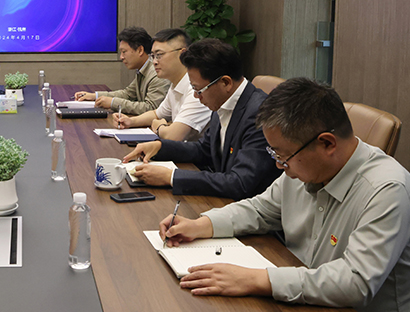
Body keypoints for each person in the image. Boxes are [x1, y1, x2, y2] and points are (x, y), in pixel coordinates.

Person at [159, 77, 410, 312]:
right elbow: (261, 209)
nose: (279, 165)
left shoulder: (386, 188)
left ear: (327, 143)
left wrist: (255, 279)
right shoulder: (305, 167)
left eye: (283, 155)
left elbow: (355, 281)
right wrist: (201, 225)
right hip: (312, 307)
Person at [123, 38, 281, 199]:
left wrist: (171, 177)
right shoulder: (223, 100)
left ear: (225, 83)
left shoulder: (260, 114)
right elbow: (204, 149)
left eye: (198, 89)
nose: (196, 96)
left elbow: (240, 182)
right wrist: (160, 147)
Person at [114, 28, 211, 141]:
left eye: (159, 55)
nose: (154, 62)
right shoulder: (175, 85)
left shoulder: (196, 89)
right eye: (153, 56)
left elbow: (173, 136)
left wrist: (159, 126)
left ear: (182, 54)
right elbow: (157, 114)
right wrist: (131, 121)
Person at [73, 26, 168, 115]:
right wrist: (95, 96)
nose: (121, 57)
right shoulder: (143, 69)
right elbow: (127, 94)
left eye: (124, 52)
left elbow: (151, 108)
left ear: (140, 50)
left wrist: (113, 103)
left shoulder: (157, 73)